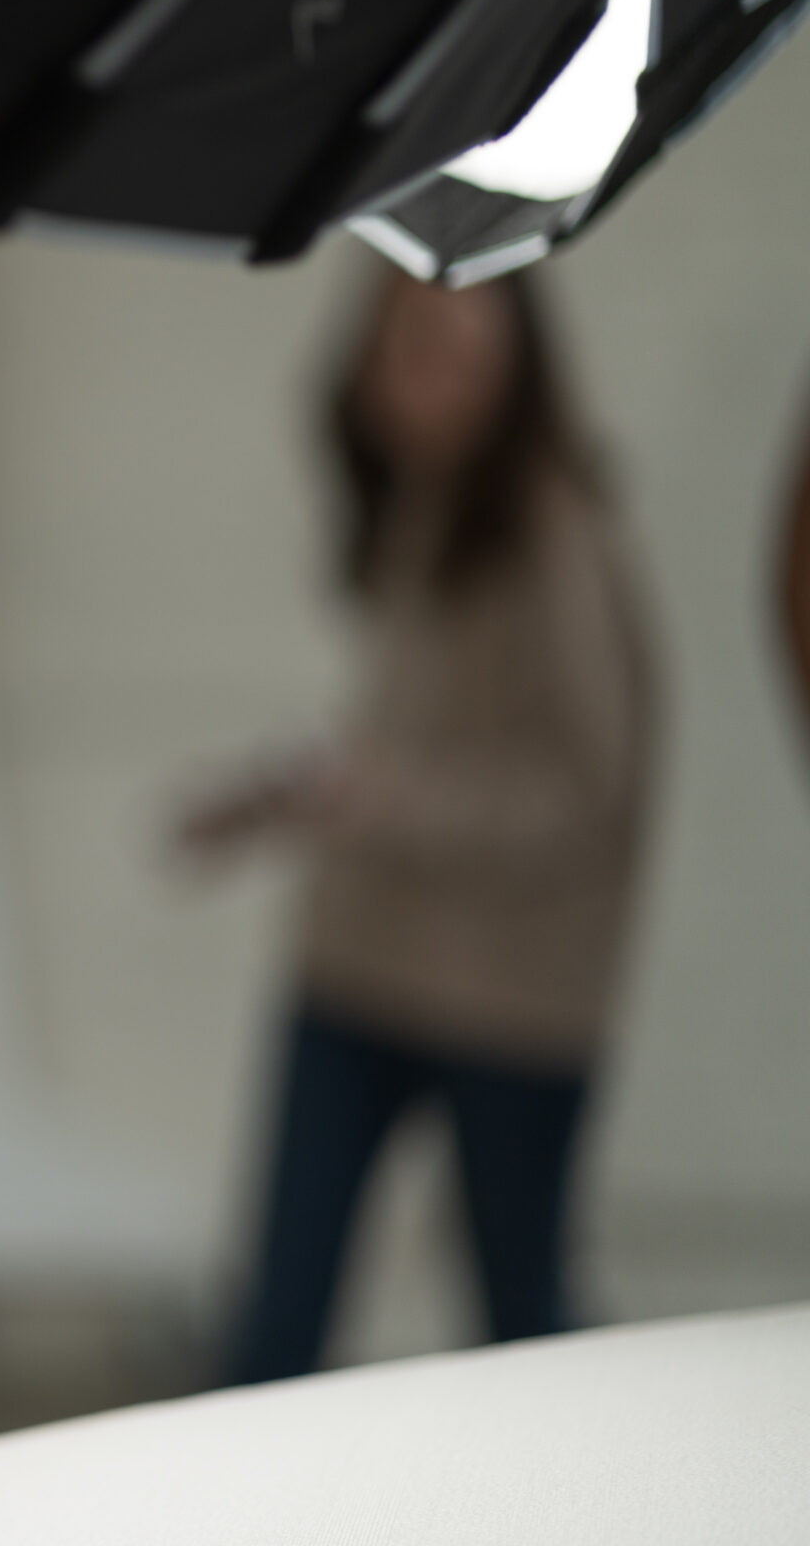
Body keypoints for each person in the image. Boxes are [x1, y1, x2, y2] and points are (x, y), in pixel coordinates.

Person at [177, 258, 652, 1384]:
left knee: (521, 1331)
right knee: (276, 1330)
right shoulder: (415, 507)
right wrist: (272, 802)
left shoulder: (551, 523)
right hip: (359, 966)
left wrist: (379, 796)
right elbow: (408, 744)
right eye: (404, 347)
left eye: (452, 352)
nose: (422, 378)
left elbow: (589, 792)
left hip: (512, 998)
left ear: (510, 364)